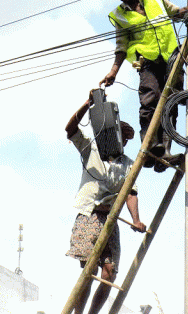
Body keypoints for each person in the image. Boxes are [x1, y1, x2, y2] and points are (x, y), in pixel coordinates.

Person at [99, 0, 186, 172]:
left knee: (171, 105)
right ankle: (148, 148)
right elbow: (122, 46)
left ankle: (163, 152)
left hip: (172, 57)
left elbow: (174, 12)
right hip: (147, 62)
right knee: (150, 100)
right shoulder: (120, 15)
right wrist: (113, 71)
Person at [65, 92, 146, 314]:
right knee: (89, 270)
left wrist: (136, 220)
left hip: (110, 219)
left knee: (110, 272)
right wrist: (86, 105)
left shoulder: (128, 164)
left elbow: (130, 193)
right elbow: (70, 129)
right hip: (89, 214)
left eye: (127, 138)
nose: (125, 141)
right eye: (122, 135)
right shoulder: (91, 149)